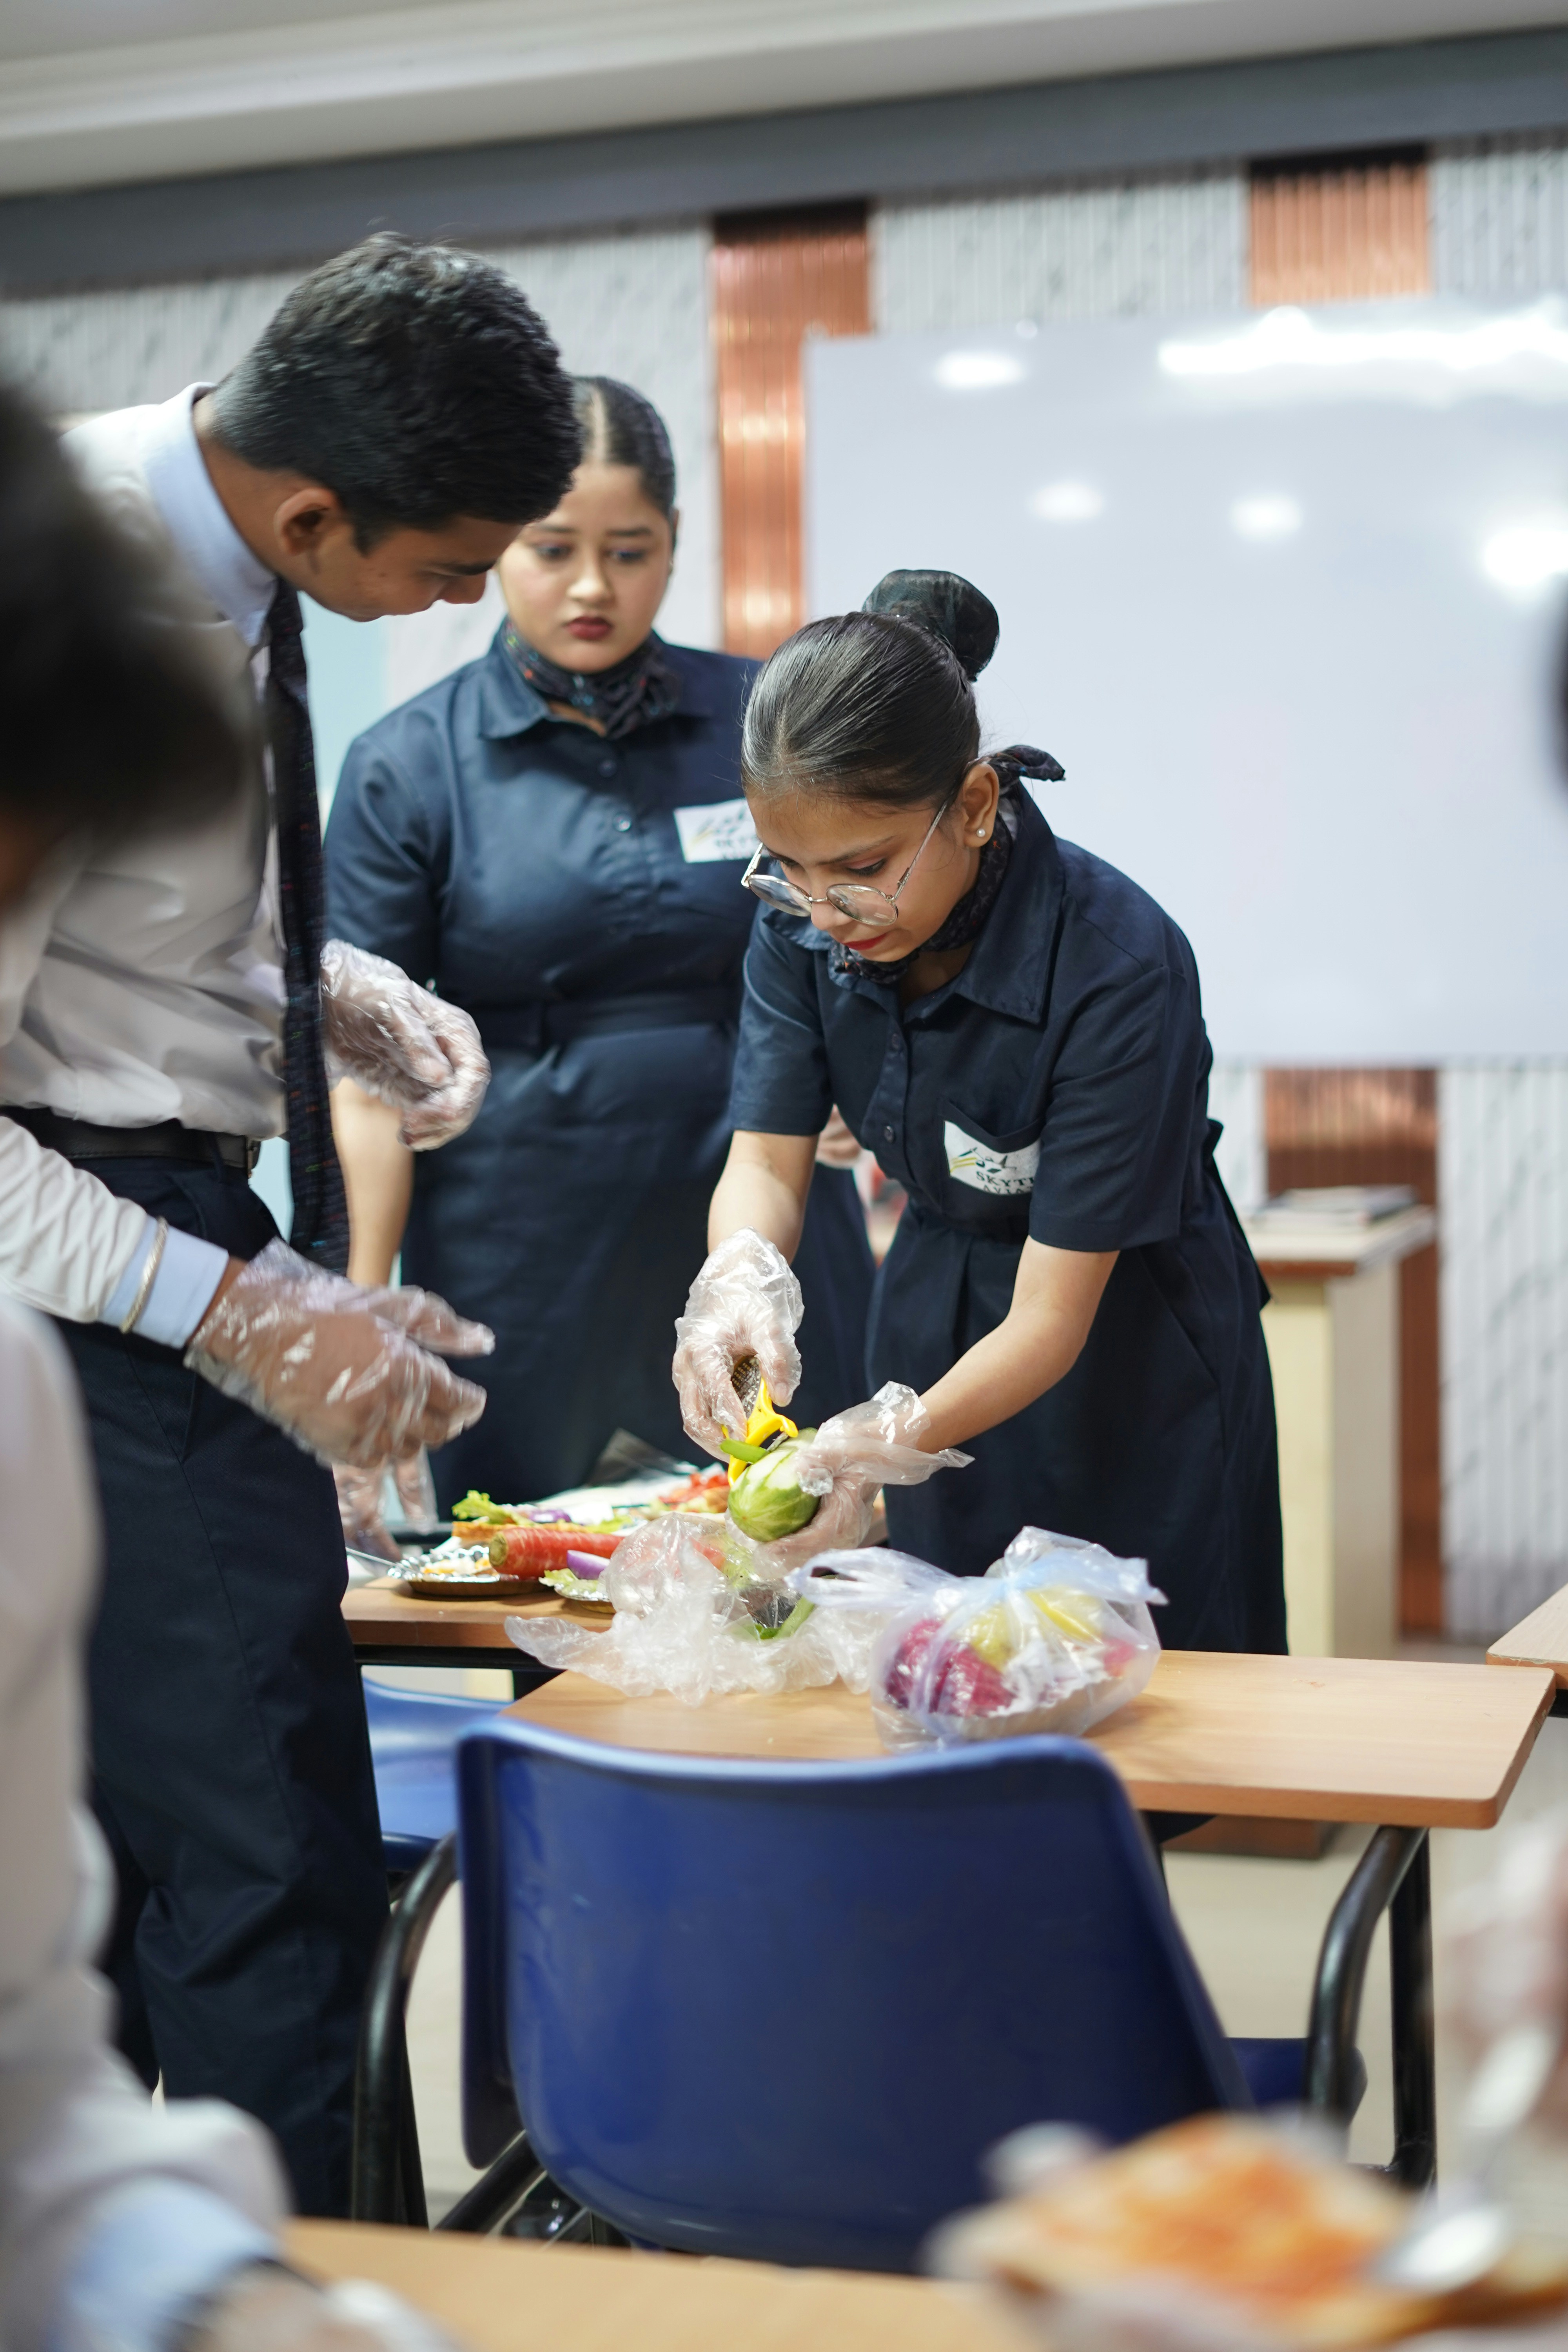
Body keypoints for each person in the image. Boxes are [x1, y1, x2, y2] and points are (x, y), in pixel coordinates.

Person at [0, 236, 582, 2215]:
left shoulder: (216, 527)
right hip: (76, 1261)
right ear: (319, 509)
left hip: (140, 1197)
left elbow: (109, 915)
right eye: (449, 569)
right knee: (274, 1876)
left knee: (99, 1869)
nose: (462, 605)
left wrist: (299, 986)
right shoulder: (58, 594)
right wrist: (232, 1309)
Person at [0, 374, 453, 2352]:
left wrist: (226, 2300)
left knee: (214, 1864)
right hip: (124, 1250)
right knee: (262, 1860)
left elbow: (37, 2040)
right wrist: (237, 1306)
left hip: (143, 1243)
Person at [671, 569, 1285, 1655]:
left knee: (1134, 1707)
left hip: (1128, 1347)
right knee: (942, 1678)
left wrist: (876, 1445)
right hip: (937, 1305)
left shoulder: (1117, 964)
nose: (826, 914)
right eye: (792, 873)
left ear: (974, 806)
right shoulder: (808, 925)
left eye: (862, 870)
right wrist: (735, 1281)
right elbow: (768, 1161)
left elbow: (1053, 1317)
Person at [325, 375, 873, 1544]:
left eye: (629, 550)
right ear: (494, 550)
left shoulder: (764, 717)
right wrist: (368, 1306)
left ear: (673, 547)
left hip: (755, 1213)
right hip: (522, 1246)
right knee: (550, 1572)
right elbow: (367, 1078)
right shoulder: (407, 766)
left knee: (794, 1551)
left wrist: (867, 1088)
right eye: (552, 548)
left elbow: (865, 938)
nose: (590, 585)